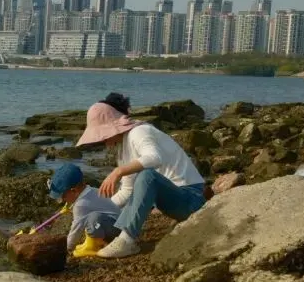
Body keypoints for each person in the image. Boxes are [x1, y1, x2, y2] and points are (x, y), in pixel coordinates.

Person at [76, 98, 206, 258]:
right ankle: (117, 235)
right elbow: (127, 191)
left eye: (103, 135)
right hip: (171, 202)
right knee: (97, 217)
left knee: (147, 175)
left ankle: (127, 241)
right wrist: (102, 207)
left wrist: (118, 172)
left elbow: (154, 158)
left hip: (191, 199)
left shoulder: (139, 131)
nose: (102, 140)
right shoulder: (123, 149)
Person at [47, 162, 121, 257]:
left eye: (63, 196)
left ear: (74, 191)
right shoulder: (91, 190)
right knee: (89, 219)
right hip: (116, 223)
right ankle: (92, 242)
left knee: (92, 218)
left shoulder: (81, 205)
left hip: (116, 230)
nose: (62, 200)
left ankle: (96, 246)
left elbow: (76, 229)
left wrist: (68, 247)